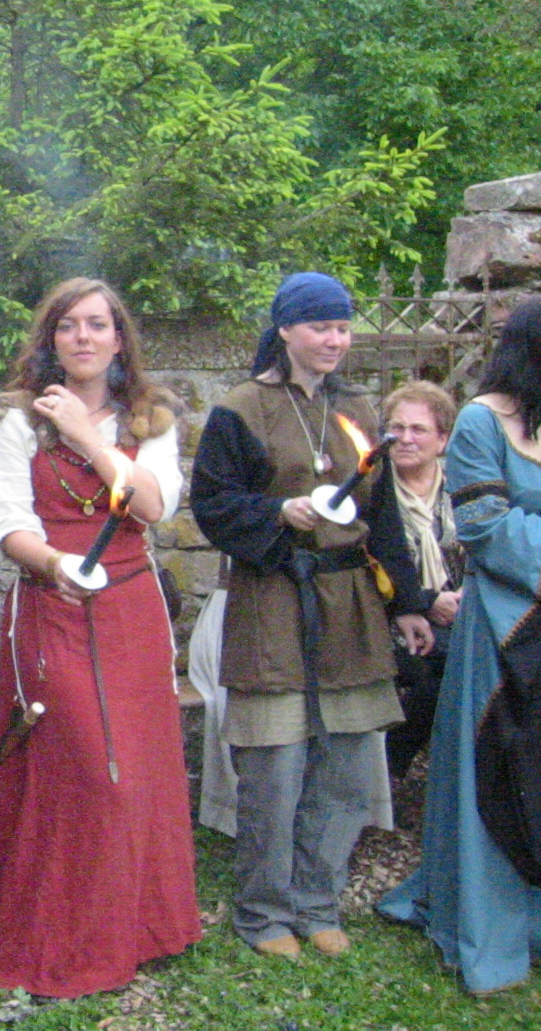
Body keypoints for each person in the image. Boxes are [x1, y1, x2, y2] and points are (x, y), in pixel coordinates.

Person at [0, 277, 201, 997]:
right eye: (68, 325)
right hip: (52, 604)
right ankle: (60, 934)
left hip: (132, 609)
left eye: (97, 324)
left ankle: (139, 928)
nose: (83, 337)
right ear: (51, 339)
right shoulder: (17, 418)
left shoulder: (150, 417)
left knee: (135, 768)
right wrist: (54, 564)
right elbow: (7, 522)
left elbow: (152, 506)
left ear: (119, 338)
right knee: (83, 768)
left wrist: (86, 435)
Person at [192, 272, 433, 961]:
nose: (336, 339)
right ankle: (264, 910)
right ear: (287, 330)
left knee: (346, 763)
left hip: (350, 603)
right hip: (273, 596)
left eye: (344, 327)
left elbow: (383, 515)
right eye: (322, 326)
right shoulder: (241, 408)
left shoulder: (356, 409)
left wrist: (407, 603)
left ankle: (317, 900)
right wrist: (277, 513)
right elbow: (212, 505)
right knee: (275, 766)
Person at [378, 298, 541, 993]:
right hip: (503, 626)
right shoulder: (482, 422)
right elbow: (485, 525)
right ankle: (489, 916)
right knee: (494, 763)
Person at [380, 380, 461, 777]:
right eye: (397, 428)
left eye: (419, 429)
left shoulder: (461, 489)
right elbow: (369, 567)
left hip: (461, 612)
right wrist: (426, 601)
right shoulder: (373, 493)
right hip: (389, 621)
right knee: (445, 672)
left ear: (442, 440)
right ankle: (391, 764)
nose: (406, 438)